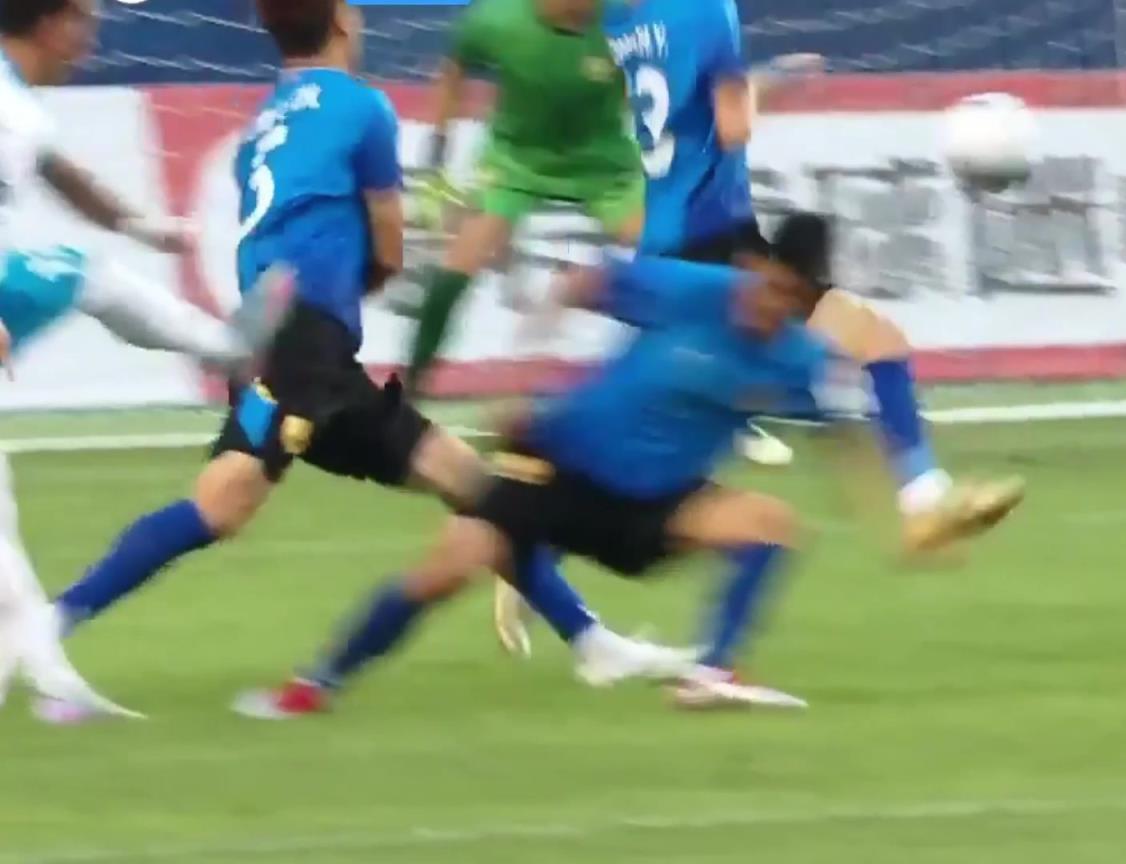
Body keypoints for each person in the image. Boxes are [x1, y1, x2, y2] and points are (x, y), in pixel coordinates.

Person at [47, 0, 687, 707]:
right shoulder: (362, 106)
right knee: (222, 503)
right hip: (300, 347)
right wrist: (373, 271)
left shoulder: (266, 122)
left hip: (295, 346)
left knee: (471, 483)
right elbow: (388, 245)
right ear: (344, 23)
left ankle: (593, 642)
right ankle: (46, 625)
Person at [487, 0, 1026, 658]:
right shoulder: (706, 10)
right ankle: (922, 503)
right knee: (868, 348)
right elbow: (732, 126)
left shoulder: (624, 23)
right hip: (715, 240)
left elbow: (661, 114)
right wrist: (764, 84)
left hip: (672, 232)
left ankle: (923, 504)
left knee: (645, 429)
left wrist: (757, 83)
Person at [233, 215, 920, 718]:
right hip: (557, 469)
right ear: (752, 267)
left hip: (655, 507)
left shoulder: (799, 359)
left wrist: (893, 517)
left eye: (787, 299)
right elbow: (579, 283)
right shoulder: (693, 290)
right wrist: (527, 371)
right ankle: (313, 687)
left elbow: (847, 436)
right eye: (766, 285)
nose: (768, 306)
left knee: (770, 525)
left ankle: (713, 673)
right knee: (448, 564)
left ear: (804, 304)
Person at [0, 0, 289, 722]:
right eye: (86, 17)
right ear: (54, 23)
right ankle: (228, 347)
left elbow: (61, 174)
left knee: (82, 272)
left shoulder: (18, 107)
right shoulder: (10, 109)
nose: (93, 35)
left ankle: (54, 683)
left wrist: (146, 227)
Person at [400, 0, 645, 396]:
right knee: (457, 265)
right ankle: (409, 388)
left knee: (668, 252)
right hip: (515, 160)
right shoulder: (496, 20)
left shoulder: (628, 21)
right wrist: (437, 151)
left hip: (603, 166)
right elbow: (453, 69)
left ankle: (681, 382)